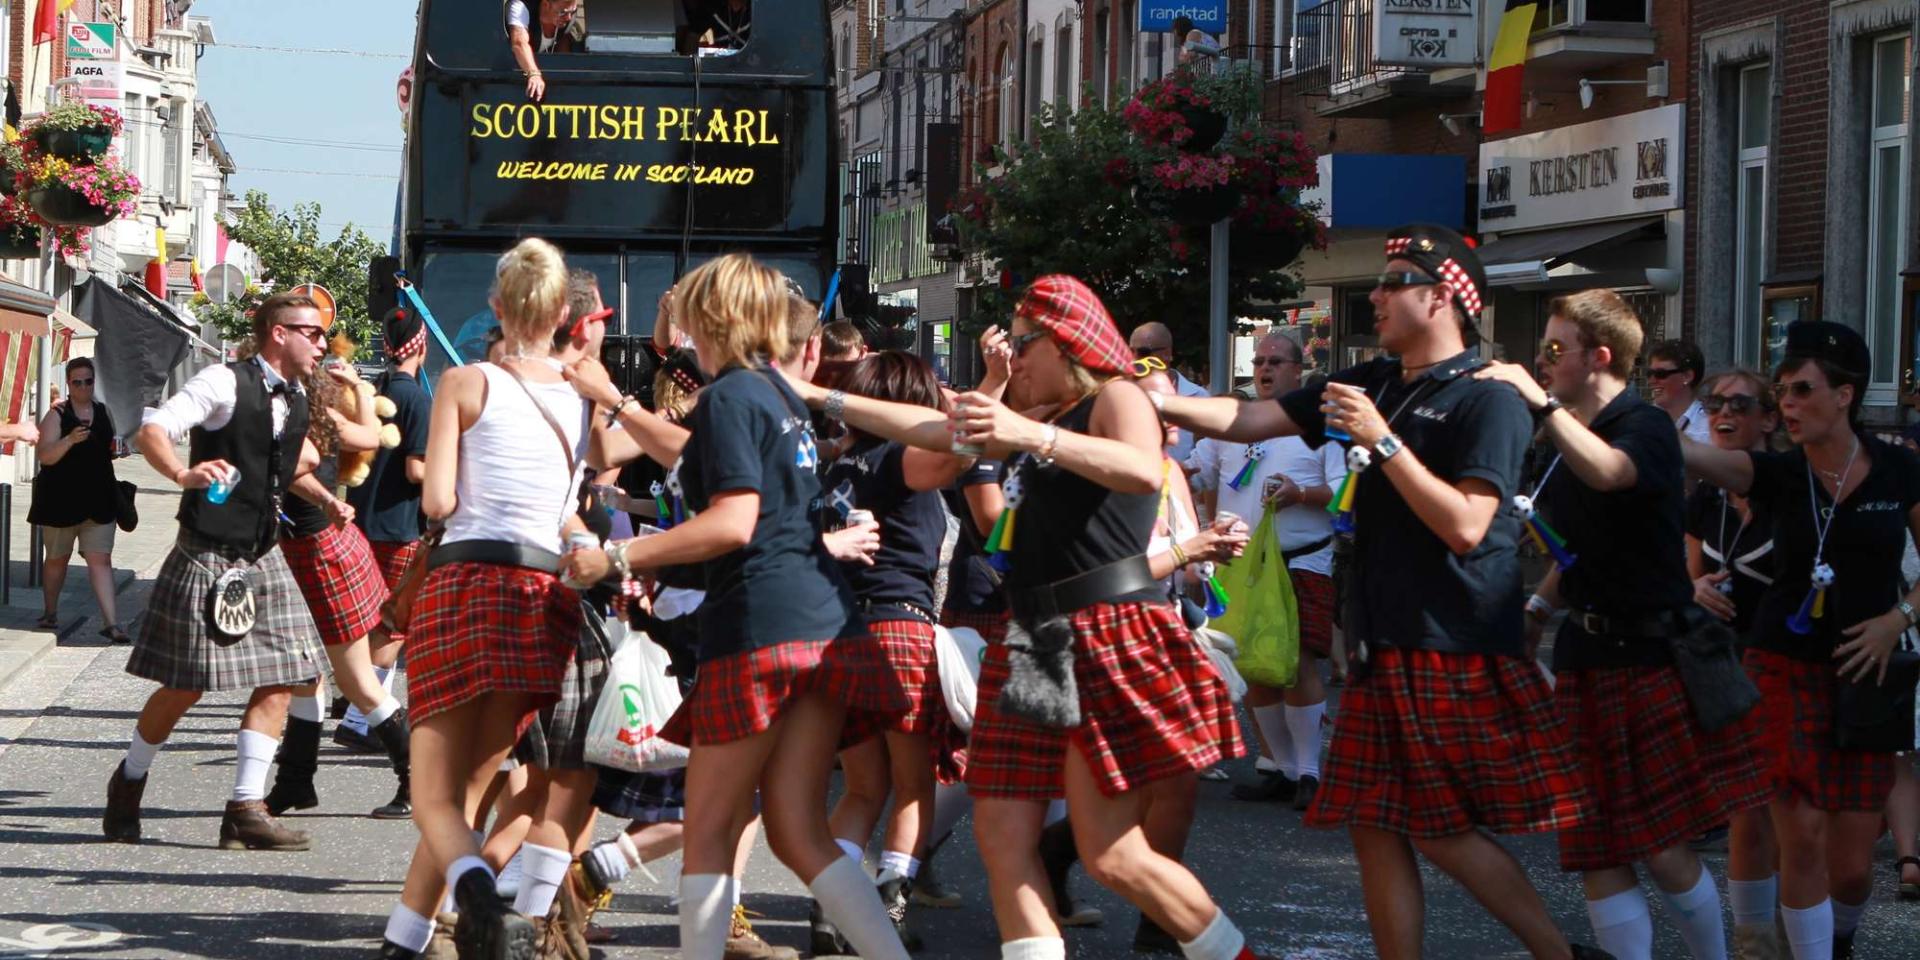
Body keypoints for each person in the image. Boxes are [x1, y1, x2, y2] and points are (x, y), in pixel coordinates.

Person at [1155, 224, 1608, 960]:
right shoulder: (1375, 383)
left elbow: (1467, 526)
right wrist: (1155, 401)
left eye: (1393, 282)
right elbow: (1247, 417)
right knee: (1373, 818)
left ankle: (1560, 955)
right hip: (1379, 636)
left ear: (1442, 297)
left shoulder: (1486, 397)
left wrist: (1385, 442)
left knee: (1436, 825)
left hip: (1447, 640)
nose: (1376, 294)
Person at [788, 274, 1260, 960]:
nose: (1014, 359)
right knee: (1004, 834)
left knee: (1113, 857)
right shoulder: (1037, 416)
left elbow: (1137, 467)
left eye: (1024, 344)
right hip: (1035, 638)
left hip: (1108, 631)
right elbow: (930, 429)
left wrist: (1028, 433)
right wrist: (813, 394)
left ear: (1064, 341)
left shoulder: (1116, 395)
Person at [562, 254, 911, 960]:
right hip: (822, 626)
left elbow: (732, 522)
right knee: (796, 830)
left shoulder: (727, 398)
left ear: (709, 317)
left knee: (712, 822)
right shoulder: (779, 397)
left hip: (758, 628)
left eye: (686, 312)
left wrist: (618, 558)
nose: (680, 328)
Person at [1476, 290, 1770, 960]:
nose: (1542, 362)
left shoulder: (1643, 427)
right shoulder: (1571, 433)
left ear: (1599, 357)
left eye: (1555, 350)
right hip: (1585, 649)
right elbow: (1576, 546)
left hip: (1647, 656)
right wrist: (1540, 608)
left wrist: (1542, 406)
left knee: (1661, 847)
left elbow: (1614, 476)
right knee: (1595, 844)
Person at [382, 238, 599, 960]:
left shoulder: (465, 383)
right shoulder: (579, 401)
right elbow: (568, 510)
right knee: (476, 785)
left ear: (497, 306)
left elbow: (439, 498)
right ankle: (403, 939)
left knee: (431, 795)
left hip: (465, 583)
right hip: (540, 594)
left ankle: (473, 889)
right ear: (565, 313)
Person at [1680, 321, 1920, 960]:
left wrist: (1899, 617)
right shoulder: (1780, 474)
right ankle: (1772, 948)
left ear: (1844, 396)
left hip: (1868, 676)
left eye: (1803, 389)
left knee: (1851, 860)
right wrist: (1644, 428)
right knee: (1801, 833)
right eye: (1782, 390)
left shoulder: (1898, 468)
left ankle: (1836, 942)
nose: (1787, 402)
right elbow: (1708, 459)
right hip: (1782, 667)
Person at [105, 292, 329, 853]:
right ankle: (129, 779)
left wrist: (327, 491)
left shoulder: (298, 395)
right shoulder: (222, 383)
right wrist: (182, 473)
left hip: (263, 550)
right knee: (185, 685)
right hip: (207, 549)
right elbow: (152, 430)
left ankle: (244, 808)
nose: (322, 343)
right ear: (279, 333)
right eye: (313, 332)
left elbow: (280, 464)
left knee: (288, 670)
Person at [1188, 332, 1343, 812]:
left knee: (1294, 662)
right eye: (1258, 360)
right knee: (1251, 661)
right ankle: (1280, 767)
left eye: (1275, 360)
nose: (1264, 368)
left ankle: (1310, 772)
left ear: (1298, 369)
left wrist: (1302, 493)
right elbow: (1196, 471)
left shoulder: (1321, 424)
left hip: (1302, 558)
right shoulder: (1233, 424)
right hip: (1241, 565)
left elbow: (1343, 494)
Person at [267, 362, 413, 822]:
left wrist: (327, 500)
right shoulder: (323, 415)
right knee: (303, 674)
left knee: (357, 684)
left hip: (320, 553)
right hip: (318, 550)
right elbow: (372, 436)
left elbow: (295, 474)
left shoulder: (301, 416)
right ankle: (295, 781)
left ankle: (416, 777)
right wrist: (357, 389)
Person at [1682, 369, 1786, 959]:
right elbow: (1688, 571)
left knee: (1794, 814)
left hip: (1788, 662)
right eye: (1715, 404)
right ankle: (1755, 945)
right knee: (1749, 805)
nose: (1724, 414)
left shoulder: (1792, 490)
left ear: (1768, 419)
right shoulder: (1707, 497)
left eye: (1739, 405)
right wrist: (1696, 589)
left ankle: (1814, 929)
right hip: (1726, 666)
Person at [338, 305, 434, 752]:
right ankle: (360, 720)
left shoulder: (371, 388)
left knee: (364, 622)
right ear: (423, 346)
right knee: (392, 625)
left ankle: (357, 702)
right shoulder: (418, 399)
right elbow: (417, 470)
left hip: (359, 519)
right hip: (398, 528)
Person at [29, 357, 126, 641]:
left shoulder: (104, 411)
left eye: (88, 381)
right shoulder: (57, 415)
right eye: (77, 382)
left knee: (101, 559)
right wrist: (69, 440)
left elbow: (107, 449)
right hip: (61, 502)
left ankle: (112, 623)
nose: (83, 387)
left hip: (99, 501)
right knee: (57, 559)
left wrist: (117, 450)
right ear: (68, 384)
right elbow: (45, 457)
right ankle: (50, 612)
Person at [1128, 320, 1210, 467]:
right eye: (1130, 351)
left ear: (1167, 354)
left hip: (1183, 484)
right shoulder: (1121, 396)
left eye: (1143, 352)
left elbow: (1208, 457)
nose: (1134, 359)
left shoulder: (1199, 397)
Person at [506, 0, 586, 100]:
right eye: (563, 12)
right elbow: (519, 43)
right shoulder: (520, 8)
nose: (568, 18)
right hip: (509, 76)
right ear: (545, 5)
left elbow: (563, 43)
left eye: (572, 12)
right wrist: (534, 74)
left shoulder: (568, 18)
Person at [1647, 339, 1711, 445]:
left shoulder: (1709, 424)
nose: (1651, 381)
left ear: (1687, 376)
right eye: (1650, 374)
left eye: (1660, 374)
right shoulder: (1643, 419)